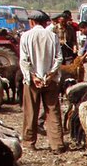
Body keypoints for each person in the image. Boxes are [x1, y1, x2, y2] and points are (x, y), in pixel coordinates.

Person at [20, 9, 64, 152]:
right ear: (45, 23)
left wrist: (33, 76)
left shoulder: (26, 36)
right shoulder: (52, 36)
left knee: (31, 111)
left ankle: (29, 142)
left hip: (33, 81)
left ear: (32, 22)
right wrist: (51, 74)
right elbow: (59, 58)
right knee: (52, 111)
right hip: (50, 80)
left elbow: (24, 60)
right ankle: (57, 144)